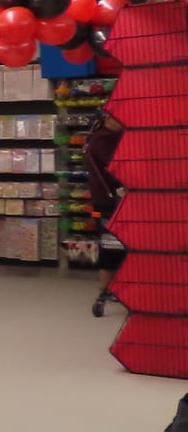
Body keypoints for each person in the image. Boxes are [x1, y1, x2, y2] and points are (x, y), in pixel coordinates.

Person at [84, 110, 126, 316]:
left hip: (101, 203)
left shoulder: (96, 136)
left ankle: (107, 291)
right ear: (108, 119)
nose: (123, 123)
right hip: (112, 203)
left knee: (108, 243)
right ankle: (107, 290)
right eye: (119, 118)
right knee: (112, 245)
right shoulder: (105, 139)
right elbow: (119, 168)